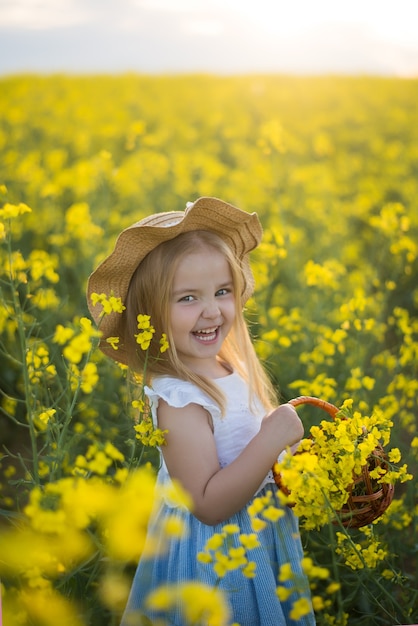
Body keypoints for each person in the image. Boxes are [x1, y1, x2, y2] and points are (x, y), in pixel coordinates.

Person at [87, 197, 315, 626]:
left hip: (259, 540)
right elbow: (208, 505)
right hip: (218, 561)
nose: (212, 310)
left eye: (222, 291)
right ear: (151, 315)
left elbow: (252, 455)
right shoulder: (180, 399)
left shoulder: (229, 364)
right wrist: (271, 439)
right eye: (188, 298)